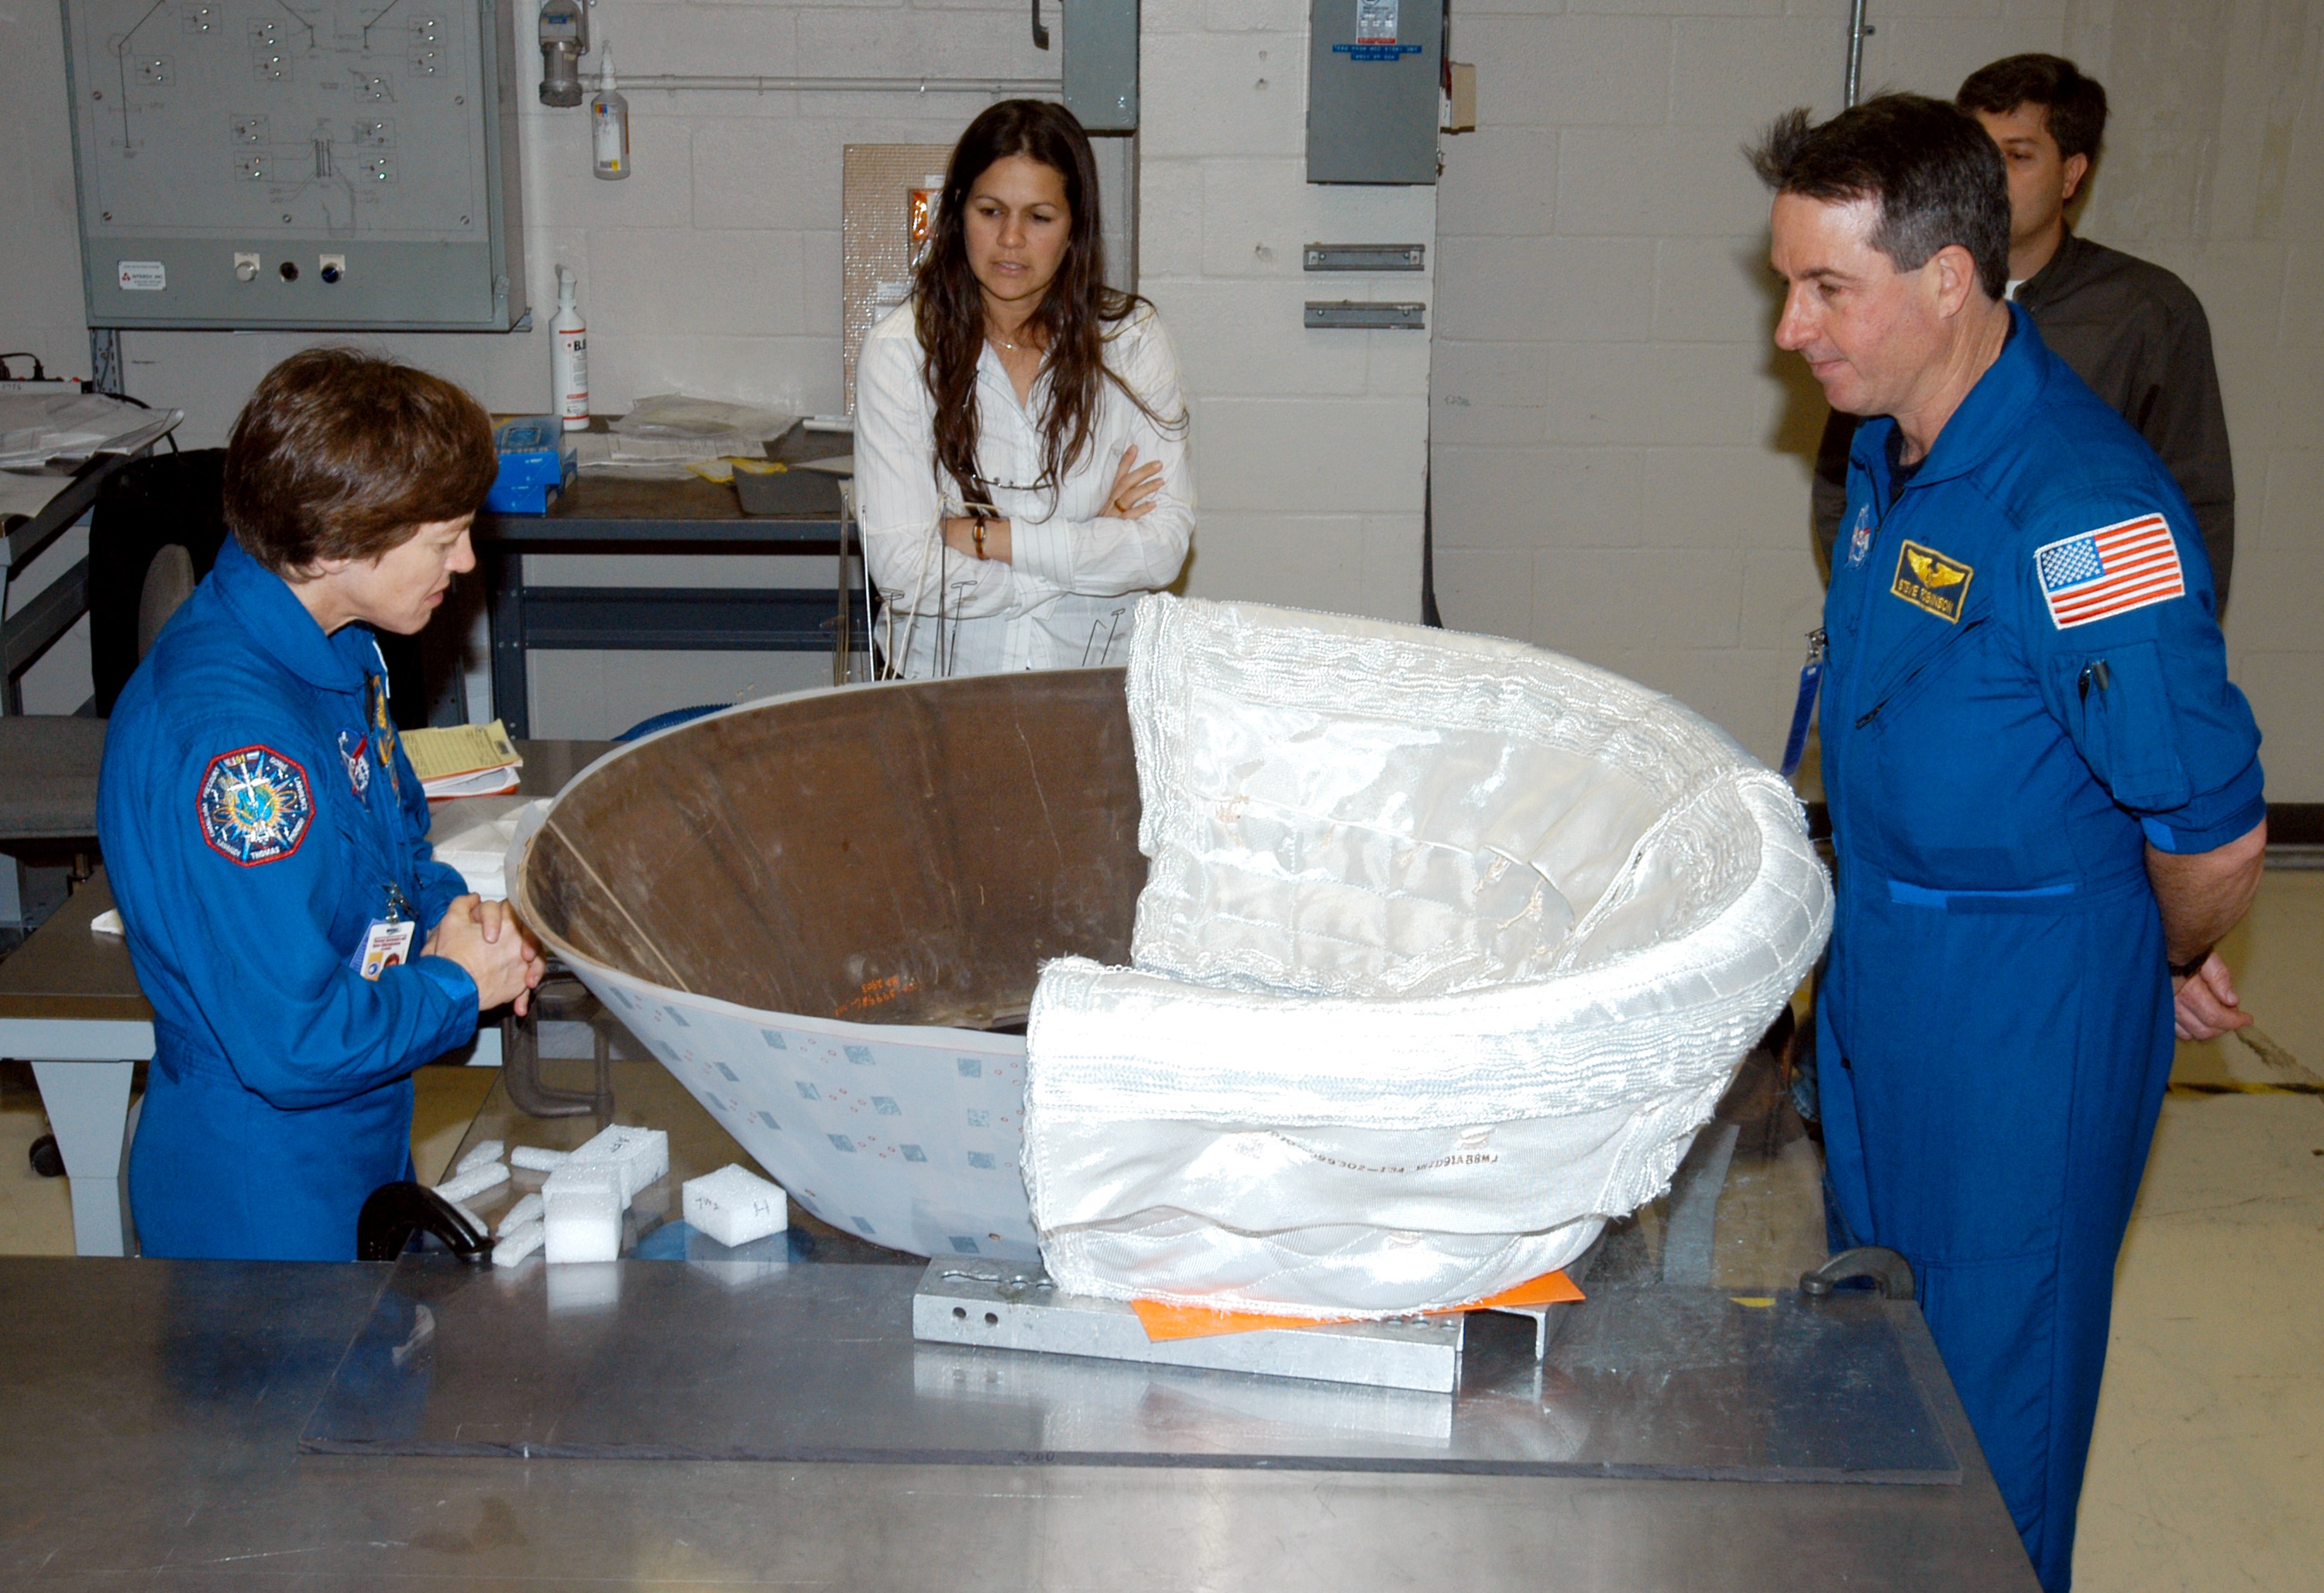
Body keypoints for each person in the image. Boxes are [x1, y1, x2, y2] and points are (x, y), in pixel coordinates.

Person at [1754, 97, 2265, 1591]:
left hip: (2022, 1027)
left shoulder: (2081, 515)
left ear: (1950, 282)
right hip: (1885, 981)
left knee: (1991, 1419)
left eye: (1825, 288)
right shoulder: (1888, 453)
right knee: (1873, 1370)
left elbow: (2215, 829)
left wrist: (2149, 955)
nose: (1790, 329)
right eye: (1788, 280)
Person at [98, 348, 542, 1262]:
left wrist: (452, 914)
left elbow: (395, 839)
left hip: (360, 1132)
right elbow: (290, 1040)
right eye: (443, 536)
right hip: (262, 1187)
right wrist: (458, 984)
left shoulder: (339, 648)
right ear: (340, 542)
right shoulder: (236, 749)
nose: (464, 561)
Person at [1811, 55, 2236, 609]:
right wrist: (1874, 604)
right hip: (1910, 626)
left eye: (2017, 155)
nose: (1991, 175)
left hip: (2057, 646)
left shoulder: (2145, 313)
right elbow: (1842, 477)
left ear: (2071, 173)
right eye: (1978, 153)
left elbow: (2194, 505)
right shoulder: (1899, 289)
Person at [854, 99, 1193, 677]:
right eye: (991, 211)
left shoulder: (1133, 341)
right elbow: (905, 572)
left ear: (1073, 229)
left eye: (1039, 217)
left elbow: (1162, 549)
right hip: (942, 694)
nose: (1011, 239)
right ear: (959, 213)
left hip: (1092, 690)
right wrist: (1089, 544)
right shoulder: (900, 353)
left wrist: (985, 537)